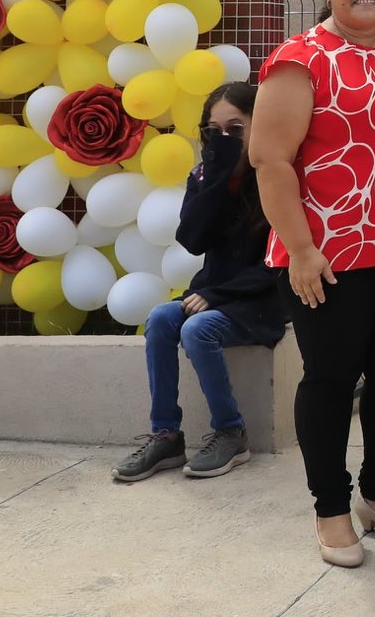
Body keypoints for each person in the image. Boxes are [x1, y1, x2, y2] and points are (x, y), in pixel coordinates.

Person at [253, 0, 375, 569]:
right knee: (331, 381)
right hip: (326, 256)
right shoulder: (301, 58)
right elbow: (269, 160)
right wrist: (300, 250)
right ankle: (330, 507)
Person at [115, 82, 282, 484]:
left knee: (198, 328)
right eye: (213, 131)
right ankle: (166, 435)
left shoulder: (279, 173)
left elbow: (277, 263)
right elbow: (192, 239)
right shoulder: (207, 176)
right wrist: (220, 178)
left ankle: (231, 431)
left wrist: (215, 295)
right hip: (214, 293)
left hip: (260, 299)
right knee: (159, 319)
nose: (224, 139)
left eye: (235, 129)